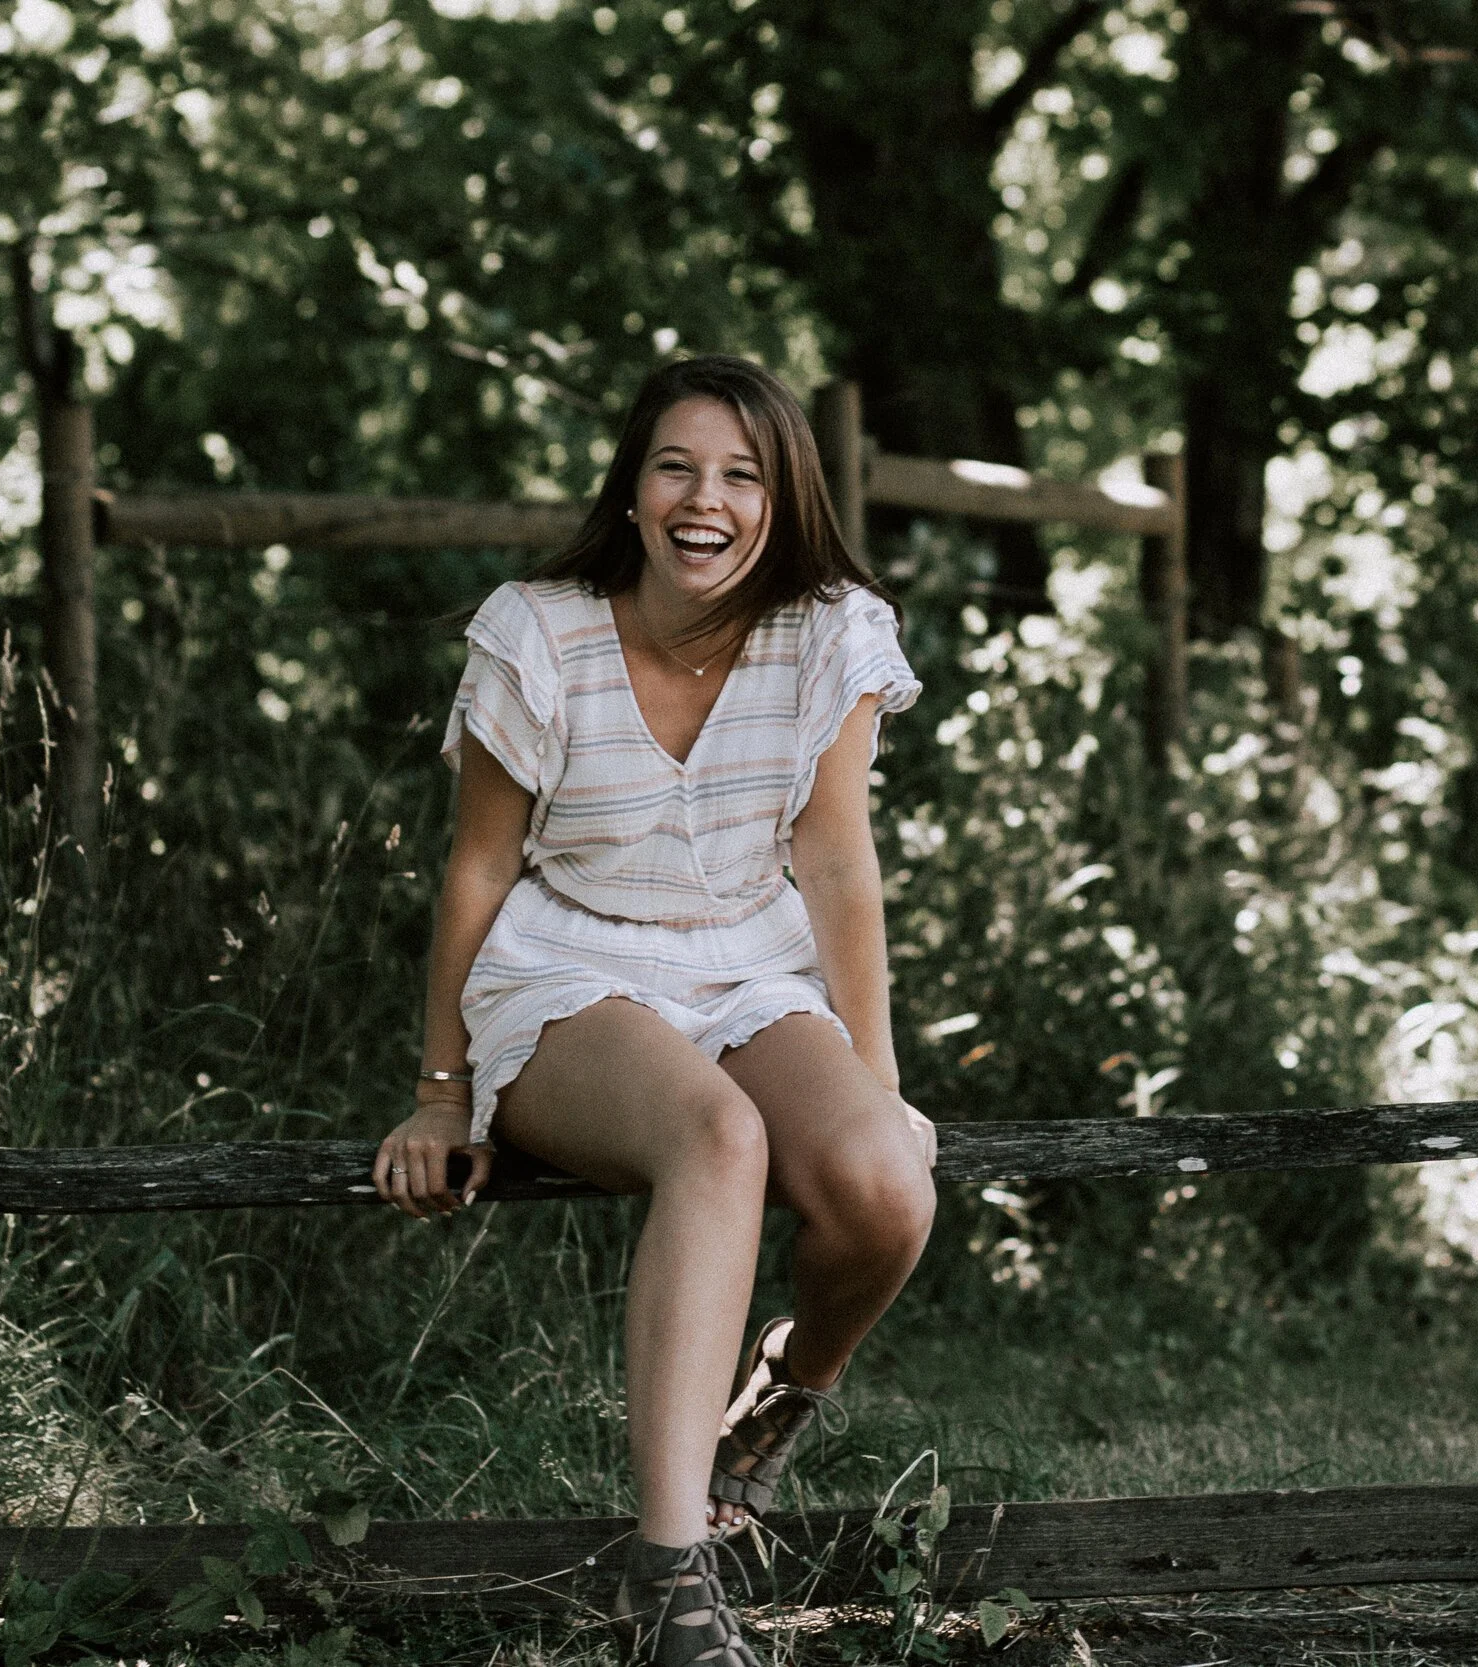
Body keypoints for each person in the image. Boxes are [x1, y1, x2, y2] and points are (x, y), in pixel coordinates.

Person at [371, 355, 935, 1667]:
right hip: (567, 963)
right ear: (631, 489)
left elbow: (840, 862)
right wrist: (443, 1088)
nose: (706, 498)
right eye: (676, 466)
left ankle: (781, 1393)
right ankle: (671, 1576)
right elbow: (476, 866)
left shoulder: (830, 633)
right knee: (718, 1135)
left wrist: (881, 1079)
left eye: (742, 474)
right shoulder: (539, 632)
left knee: (887, 1187)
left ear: (784, 499)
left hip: (748, 958)